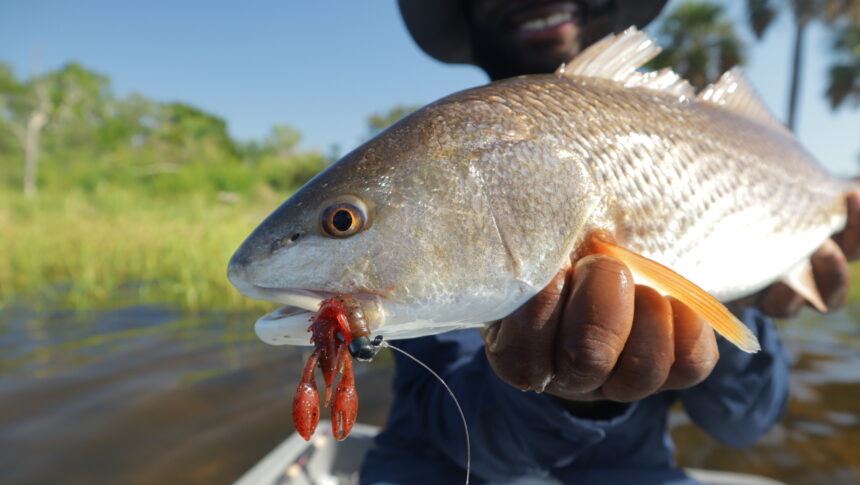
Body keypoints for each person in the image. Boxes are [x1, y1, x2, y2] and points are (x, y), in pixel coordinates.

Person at [360, 1, 860, 483]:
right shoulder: (426, 168)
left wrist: (742, 304)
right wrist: (568, 393)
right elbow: (462, 436)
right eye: (346, 221)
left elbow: (745, 424)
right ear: (467, 16)